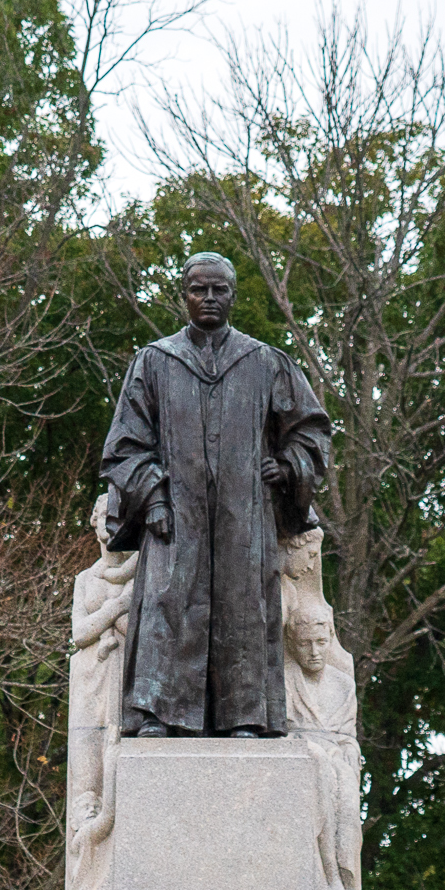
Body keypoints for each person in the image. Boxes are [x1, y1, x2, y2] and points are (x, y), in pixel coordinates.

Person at [97, 252, 333, 737]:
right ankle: (159, 714)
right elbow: (125, 443)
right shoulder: (155, 361)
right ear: (183, 295)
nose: (208, 298)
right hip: (173, 515)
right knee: (167, 601)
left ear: (233, 295)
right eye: (198, 289)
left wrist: (287, 465)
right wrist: (153, 498)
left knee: (243, 607)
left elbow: (311, 432)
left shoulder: (266, 362)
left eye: (218, 289)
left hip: (243, 514)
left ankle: (244, 715)